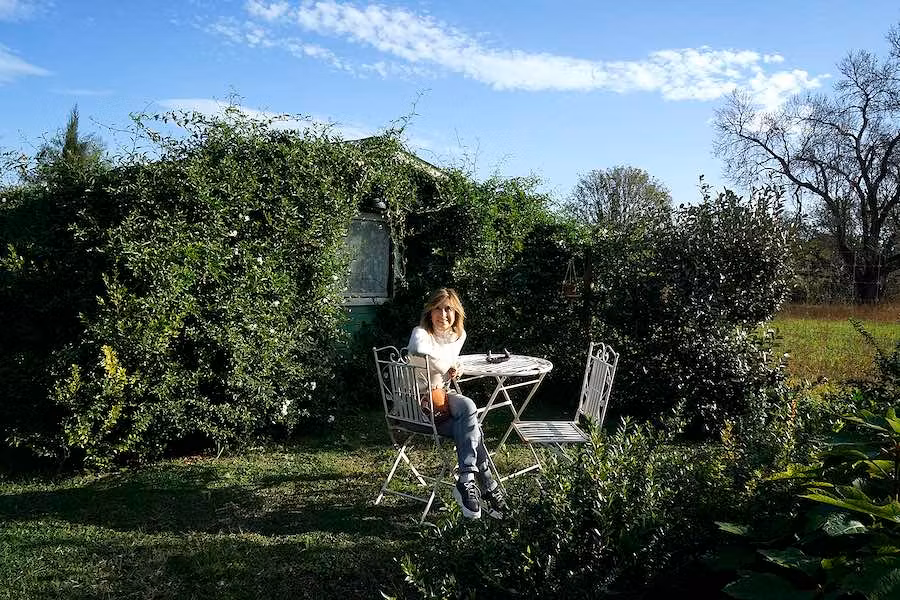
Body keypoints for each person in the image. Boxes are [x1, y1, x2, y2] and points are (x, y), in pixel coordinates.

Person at [407, 287, 508, 519]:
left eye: (449, 309)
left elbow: (451, 361)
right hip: (418, 406)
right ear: (430, 312)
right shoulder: (420, 333)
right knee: (473, 430)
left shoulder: (458, 336)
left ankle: (466, 481)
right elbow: (417, 350)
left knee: (469, 410)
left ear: (456, 313)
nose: (443, 314)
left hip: (441, 400)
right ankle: (489, 488)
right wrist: (447, 363)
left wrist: (457, 366)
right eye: (438, 309)